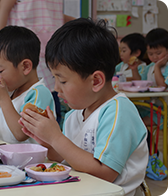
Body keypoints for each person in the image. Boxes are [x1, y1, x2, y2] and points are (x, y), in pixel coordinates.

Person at [19, 18, 148, 196]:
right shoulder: (75, 114)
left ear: (96, 81)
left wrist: (56, 138)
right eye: (54, 79)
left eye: (62, 80)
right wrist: (48, 143)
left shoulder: (118, 111)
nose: (56, 88)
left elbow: (105, 174)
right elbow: (68, 157)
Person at [0, 0, 75, 125]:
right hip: (21, 52)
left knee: (52, 105)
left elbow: (55, 16)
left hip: (52, 52)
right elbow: (4, 7)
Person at [0, 26, 55, 144]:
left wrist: (2, 98)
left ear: (25, 67)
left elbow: (20, 134)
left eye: (0, 71)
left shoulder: (39, 93)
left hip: (31, 161)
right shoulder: (10, 91)